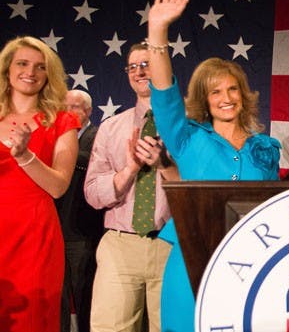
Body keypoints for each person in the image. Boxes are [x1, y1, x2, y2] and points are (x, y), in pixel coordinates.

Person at [146, 0, 281, 332]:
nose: (226, 97)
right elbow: (163, 94)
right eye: (215, 91)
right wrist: (157, 30)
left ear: (244, 94)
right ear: (204, 100)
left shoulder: (264, 148)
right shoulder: (187, 137)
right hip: (192, 257)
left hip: (251, 263)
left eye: (232, 89)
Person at [84, 44, 179, 332]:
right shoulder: (111, 128)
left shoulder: (190, 125)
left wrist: (166, 166)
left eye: (147, 64)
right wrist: (129, 170)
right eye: (133, 66)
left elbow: (202, 187)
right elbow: (92, 192)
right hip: (119, 246)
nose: (140, 72)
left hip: (173, 245)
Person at [0, 36, 79, 332]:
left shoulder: (62, 121)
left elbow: (58, 186)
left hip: (35, 235)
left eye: (40, 67)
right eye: (22, 63)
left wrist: (24, 155)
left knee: (31, 320)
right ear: (7, 69)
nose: (30, 72)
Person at [55, 89, 103, 332]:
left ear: (88, 111)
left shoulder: (97, 136)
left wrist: (65, 154)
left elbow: (92, 160)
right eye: (64, 107)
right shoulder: (56, 138)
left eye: (74, 107)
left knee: (83, 292)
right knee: (58, 297)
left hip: (83, 232)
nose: (68, 112)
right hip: (54, 229)